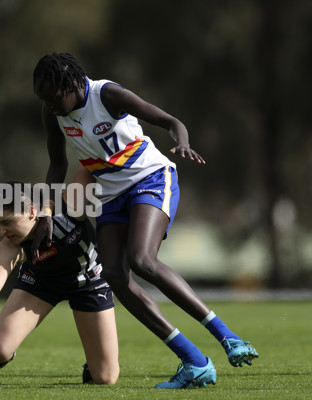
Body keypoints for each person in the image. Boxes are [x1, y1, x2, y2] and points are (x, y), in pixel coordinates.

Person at [31, 52, 258, 389]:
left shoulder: (106, 95)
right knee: (114, 274)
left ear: (73, 84)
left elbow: (171, 122)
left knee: (142, 260)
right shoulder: (55, 114)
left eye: (53, 97)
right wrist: (47, 211)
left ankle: (227, 337)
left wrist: (181, 142)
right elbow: (57, 166)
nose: (50, 105)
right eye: (44, 99)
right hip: (110, 196)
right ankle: (194, 361)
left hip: (151, 179)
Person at [0, 181, 120, 385]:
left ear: (31, 211)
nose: (2, 231)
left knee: (105, 378)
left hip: (88, 283)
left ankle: (93, 364)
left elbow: (92, 179)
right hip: (41, 284)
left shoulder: (69, 211)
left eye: (7, 222)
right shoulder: (10, 247)